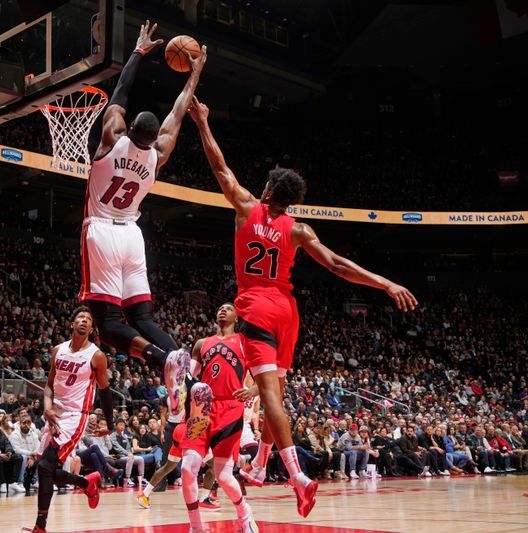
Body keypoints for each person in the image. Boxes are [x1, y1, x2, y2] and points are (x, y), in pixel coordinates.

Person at [187, 97, 418, 518]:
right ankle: (258, 465)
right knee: (279, 388)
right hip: (288, 310)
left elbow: (219, 166)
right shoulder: (299, 229)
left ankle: (297, 475)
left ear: (270, 191)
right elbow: (337, 265)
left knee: (270, 394)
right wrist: (385, 282)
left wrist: (203, 122)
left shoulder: (245, 207)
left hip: (255, 304)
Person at [80, 21, 207, 416]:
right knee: (143, 316)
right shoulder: (159, 154)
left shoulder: (112, 137)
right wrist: (196, 71)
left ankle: (160, 359)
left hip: (101, 230)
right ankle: (187, 372)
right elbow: (180, 108)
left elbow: (119, 94)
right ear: (153, 138)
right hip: (133, 234)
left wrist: (137, 51)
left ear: (130, 127)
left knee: (109, 326)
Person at [26, 307, 112, 533]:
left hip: (76, 416)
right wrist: (47, 408)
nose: (84, 321)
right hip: (55, 413)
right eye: (80, 318)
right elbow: (48, 385)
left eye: (88, 319)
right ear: (72, 324)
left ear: (91, 329)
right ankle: (87, 482)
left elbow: (105, 391)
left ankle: (40, 527)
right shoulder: (58, 350)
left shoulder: (97, 356)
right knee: (46, 471)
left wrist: (110, 424)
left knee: (45, 466)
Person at [179, 303, 259, 533]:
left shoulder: (245, 343)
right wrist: (178, 390)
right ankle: (196, 526)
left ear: (236, 317)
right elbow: (189, 378)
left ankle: (244, 513)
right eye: (221, 308)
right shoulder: (202, 344)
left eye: (229, 308)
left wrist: (251, 391)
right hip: (201, 407)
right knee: (187, 467)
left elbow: (263, 379)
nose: (223, 310)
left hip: (230, 408)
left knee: (223, 475)